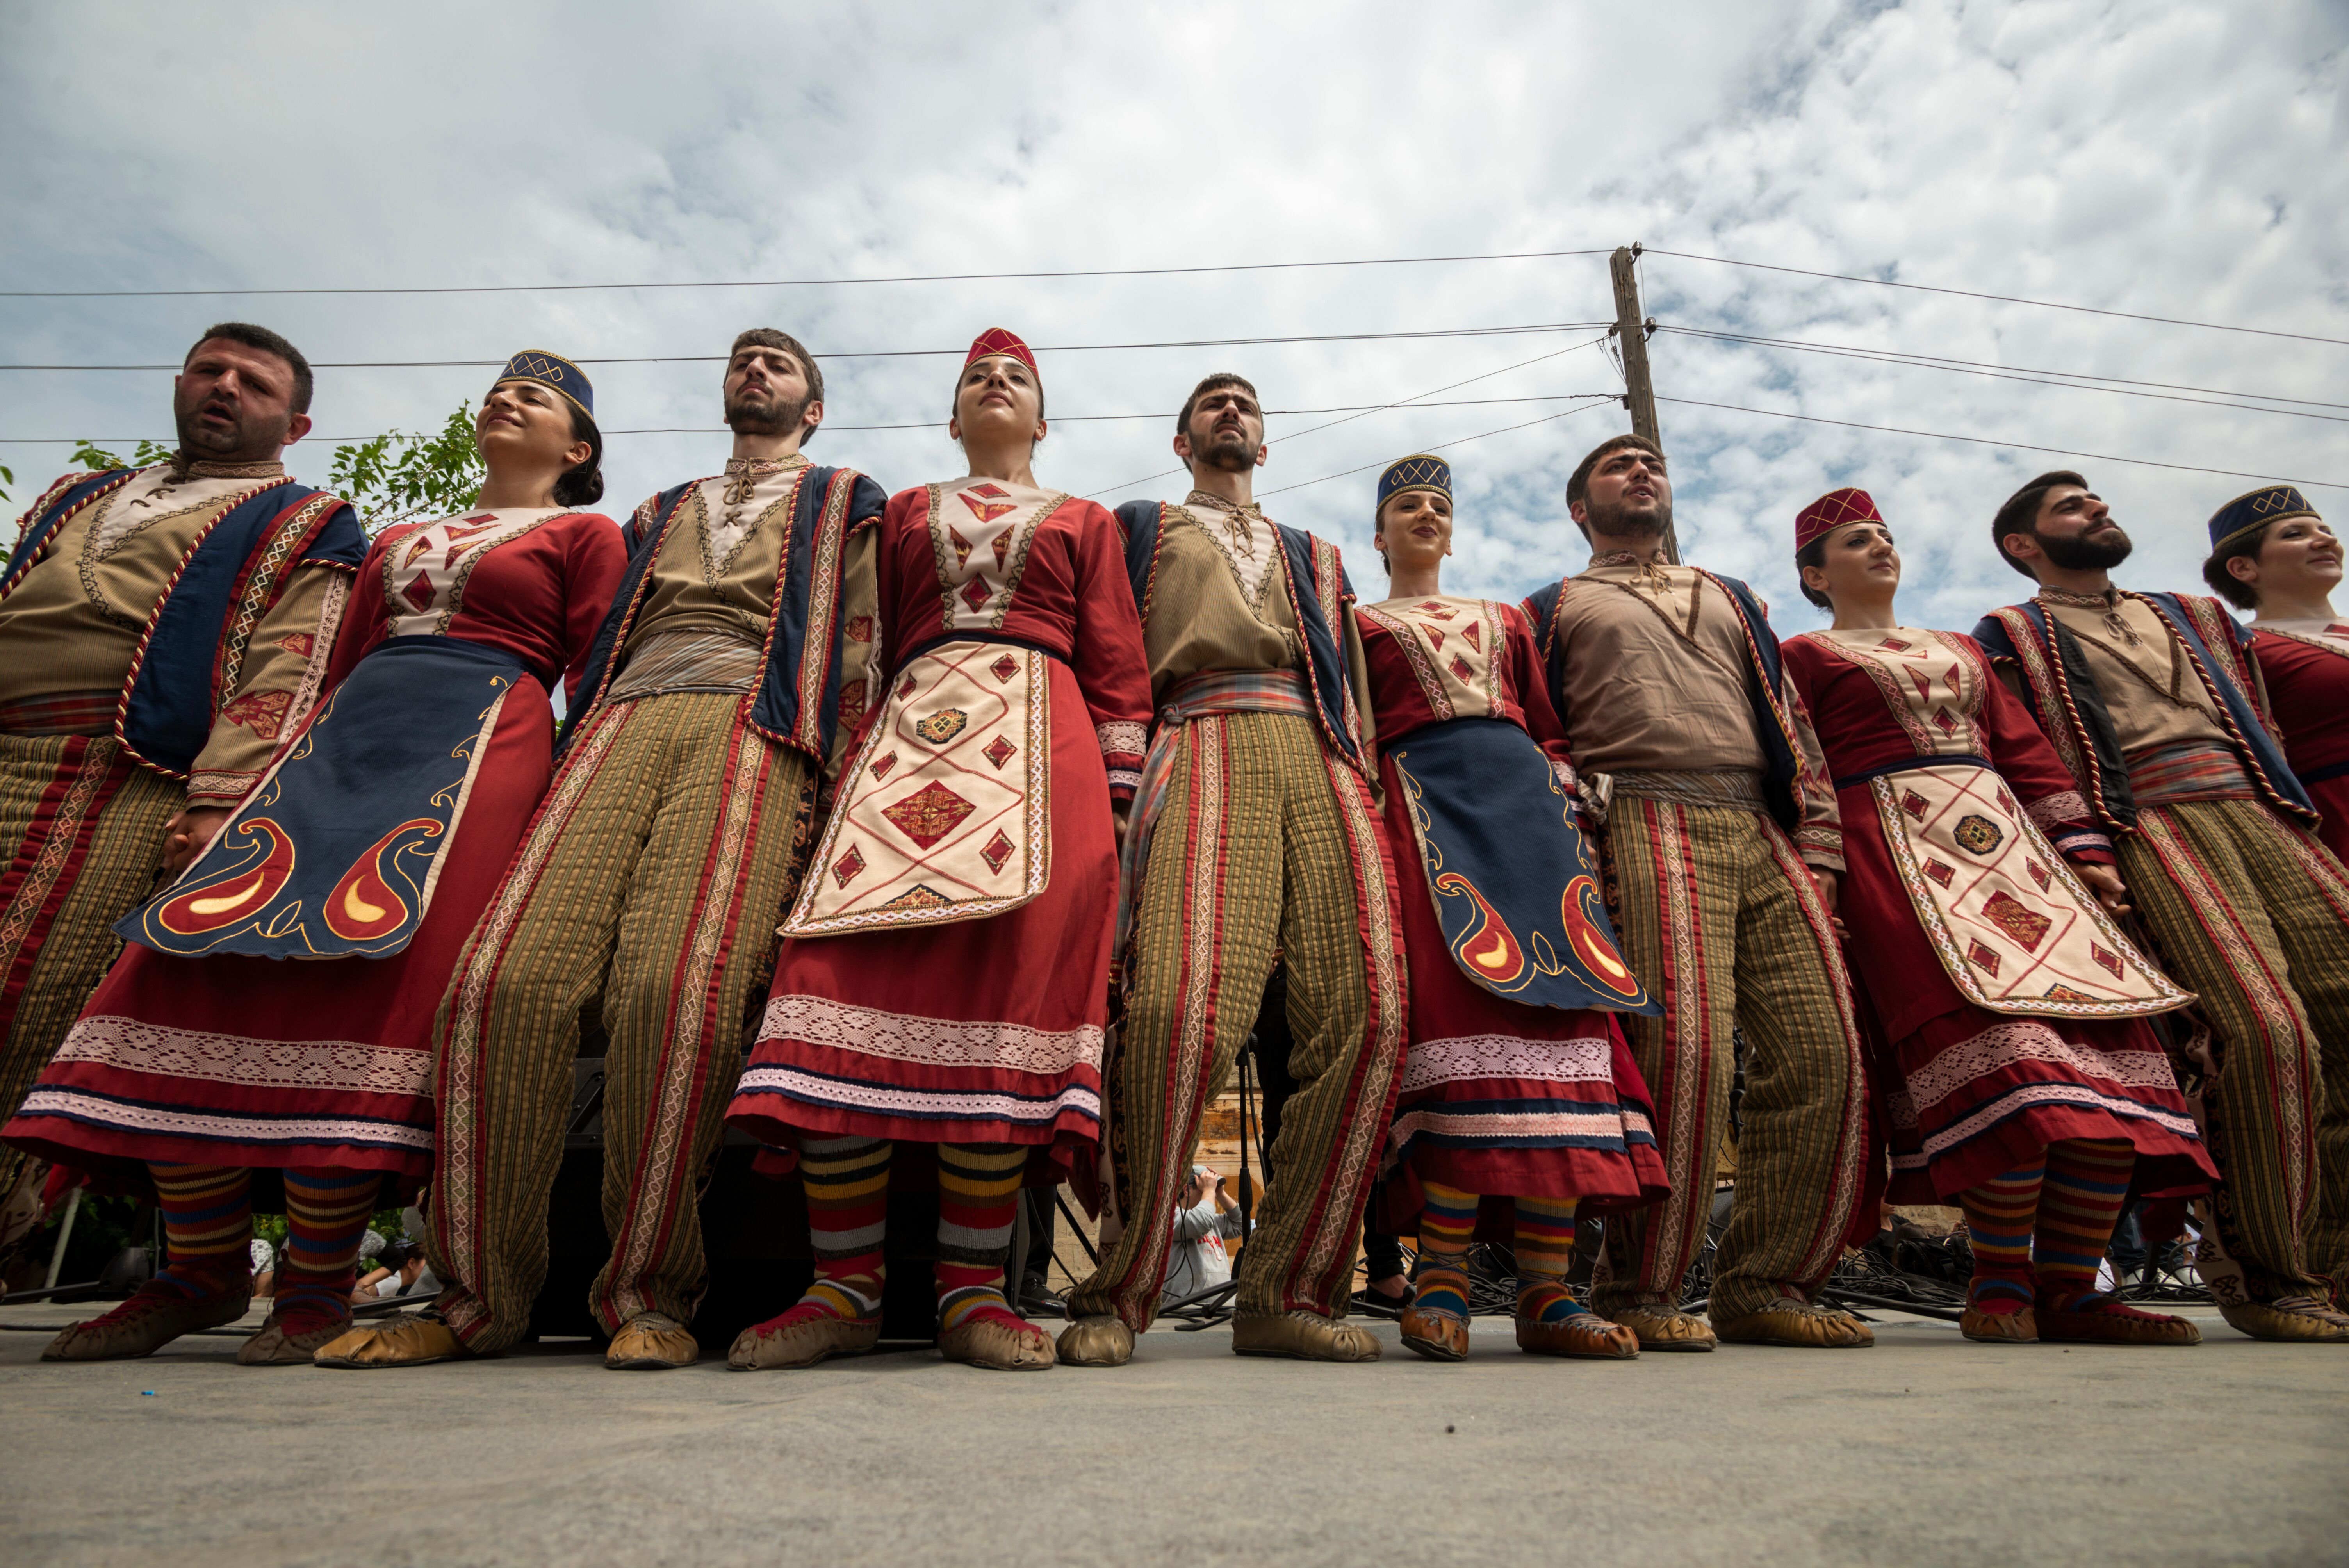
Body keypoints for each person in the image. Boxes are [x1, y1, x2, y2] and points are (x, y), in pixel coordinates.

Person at [9, 353, 626, 1366]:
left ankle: (313, 1286)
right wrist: (253, 777)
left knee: (369, 984)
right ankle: (198, 1270)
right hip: (339, 743)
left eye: (538, 400)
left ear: (578, 449)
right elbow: (333, 664)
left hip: (483, 744)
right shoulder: (395, 537)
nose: (506, 401)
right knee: (198, 956)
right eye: (500, 390)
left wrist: (573, 804)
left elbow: (596, 672)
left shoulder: (586, 534)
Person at [315, 329, 888, 1372]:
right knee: (499, 987)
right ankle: (478, 1296)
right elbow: (596, 644)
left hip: (753, 724)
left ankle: (648, 1289)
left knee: (676, 990)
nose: (753, 371)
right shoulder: (656, 511)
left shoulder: (847, 498)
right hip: (614, 728)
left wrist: (842, 792)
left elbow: (859, 644)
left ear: (813, 408)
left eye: (778, 364)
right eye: (741, 360)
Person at [723, 328, 1150, 1372]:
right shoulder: (905, 511)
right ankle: (844, 1288)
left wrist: (1119, 802)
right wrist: (836, 771)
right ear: (951, 417)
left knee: (1004, 999)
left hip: (1045, 752)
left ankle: (971, 1291)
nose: (995, 383)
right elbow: (862, 641)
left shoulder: (1086, 519)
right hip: (905, 744)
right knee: (836, 979)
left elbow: (1116, 662)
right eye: (975, 379)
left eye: (1016, 378)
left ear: (1043, 420)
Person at [1783, 487, 2213, 1345]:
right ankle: (2001, 1279)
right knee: (2008, 1061)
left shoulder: (1956, 648)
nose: (1881, 547)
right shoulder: (1802, 655)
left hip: (2014, 855)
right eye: (1857, 541)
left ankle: (2072, 1290)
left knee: (2108, 1061)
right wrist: (1821, 863)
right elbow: (1800, 763)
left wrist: (2085, 853)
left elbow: (2023, 750)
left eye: (1885, 536)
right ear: (1814, 576)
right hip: (1890, 851)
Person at [1058, 372, 1408, 1366]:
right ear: (1181, 441)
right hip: (1200, 730)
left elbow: (1354, 693)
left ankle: (1289, 1287)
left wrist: (1367, 788)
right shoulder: (1141, 527)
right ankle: (1122, 1285)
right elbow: (1109, 654)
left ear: (1265, 439)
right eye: (1211, 404)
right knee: (1181, 1011)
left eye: (1245, 405)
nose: (1230, 413)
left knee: (1371, 1013)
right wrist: (1115, 781)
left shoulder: (1316, 554)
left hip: (1323, 760)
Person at [1976, 472, 2349, 1340]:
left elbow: (2264, 722)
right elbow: (2027, 754)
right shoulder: (2011, 633)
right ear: (2023, 545)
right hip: (2147, 822)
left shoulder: (2197, 615)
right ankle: (2269, 1275)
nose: (2097, 509)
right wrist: (2085, 854)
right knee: (2263, 1032)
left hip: (2269, 816)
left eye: (2095, 499)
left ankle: (2337, 1270)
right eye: (2071, 507)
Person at [0, 324, 365, 1212]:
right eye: (210, 370)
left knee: (33, 993)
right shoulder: (78, 494)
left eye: (255, 384)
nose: (225, 387)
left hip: (127, 773)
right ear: (178, 383)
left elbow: (290, 663)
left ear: (296, 425)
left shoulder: (307, 517)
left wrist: (219, 801)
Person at [1521, 434, 1873, 1351]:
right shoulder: (1552, 606)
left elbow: (1789, 721)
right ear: (1579, 508)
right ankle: (1641, 1287)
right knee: (1685, 1054)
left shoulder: (1732, 596)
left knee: (1825, 1050)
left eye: (1651, 463)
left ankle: (1765, 1281)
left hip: (1760, 822)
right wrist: (1573, 841)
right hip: (1641, 813)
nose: (1641, 472)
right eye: (1616, 466)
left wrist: (1820, 842)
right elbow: (1541, 731)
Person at [1355, 455, 1668, 1362]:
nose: (1425, 515)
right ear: (1378, 535)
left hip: (1532, 825)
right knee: (1457, 1034)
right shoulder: (1356, 624)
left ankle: (1546, 1290)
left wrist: (1567, 815)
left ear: (1453, 530)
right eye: (1407, 506)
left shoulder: (1503, 619)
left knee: (1561, 1032)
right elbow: (1353, 731)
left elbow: (1548, 726)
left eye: (1438, 505)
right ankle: (1440, 1278)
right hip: (1422, 816)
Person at [2202, 488, 2349, 864]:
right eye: (2295, 534)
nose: (2326, 540)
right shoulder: (2245, 653)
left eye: (2326, 531)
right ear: (2243, 568)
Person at [1161, 1164, 1242, 1306]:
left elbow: (1241, 1224)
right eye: (1205, 1188)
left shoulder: (1211, 1221)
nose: (1212, 1195)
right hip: (1187, 1311)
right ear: (1187, 1190)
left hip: (1222, 1308)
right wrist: (1209, 1190)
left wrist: (1221, 1194)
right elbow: (1202, 1221)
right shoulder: (1170, 1219)